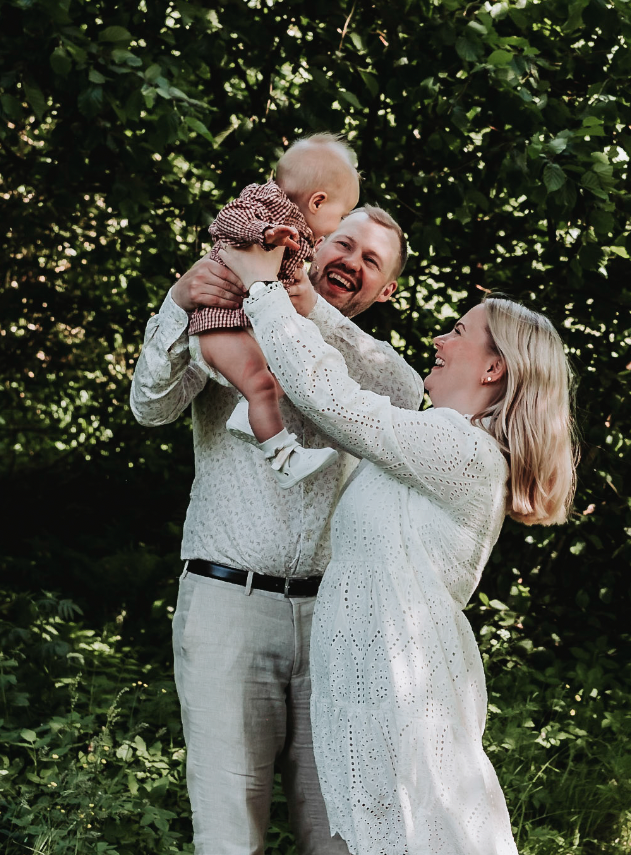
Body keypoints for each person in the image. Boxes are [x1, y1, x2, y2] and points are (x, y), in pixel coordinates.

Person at [223, 241, 577, 855]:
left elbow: (335, 400)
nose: (439, 340)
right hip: (370, 680)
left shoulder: (463, 451)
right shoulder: (428, 444)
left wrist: (264, 291)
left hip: (400, 684)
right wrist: (300, 316)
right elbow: (335, 431)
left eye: (459, 332)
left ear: (493, 369)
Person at [129, 202, 417, 855]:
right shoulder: (230, 322)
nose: (351, 262)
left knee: (343, 833)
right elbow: (149, 407)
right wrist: (178, 301)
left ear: (386, 290)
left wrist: (311, 314)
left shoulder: (366, 363)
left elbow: (404, 393)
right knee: (230, 835)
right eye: (344, 244)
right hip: (227, 605)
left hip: (336, 624)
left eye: (371, 261)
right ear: (313, 245)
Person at [191, 133, 360, 487]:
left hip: (243, 320)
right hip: (220, 320)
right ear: (318, 201)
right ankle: (284, 460)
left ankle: (247, 415)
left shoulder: (299, 227)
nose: (340, 224)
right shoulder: (266, 203)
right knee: (261, 385)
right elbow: (225, 221)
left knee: (294, 363)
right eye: (342, 215)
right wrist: (264, 233)